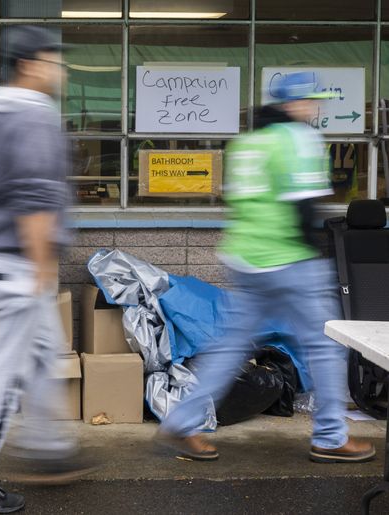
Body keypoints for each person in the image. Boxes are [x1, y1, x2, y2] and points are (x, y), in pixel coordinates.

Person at [156, 71, 376, 464]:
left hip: (245, 258)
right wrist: (311, 258)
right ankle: (329, 437)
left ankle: (183, 422)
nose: (316, 107)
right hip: (287, 257)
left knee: (231, 346)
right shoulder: (298, 139)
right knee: (326, 345)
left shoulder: (247, 143)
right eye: (311, 101)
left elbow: (237, 201)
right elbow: (303, 206)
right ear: (292, 104)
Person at [0, 26, 93, 514]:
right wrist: (40, 267)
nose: (62, 71)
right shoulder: (31, 117)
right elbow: (33, 197)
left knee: (42, 353)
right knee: (5, 376)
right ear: (30, 65)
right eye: (55, 61)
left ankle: (49, 448)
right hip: (15, 262)